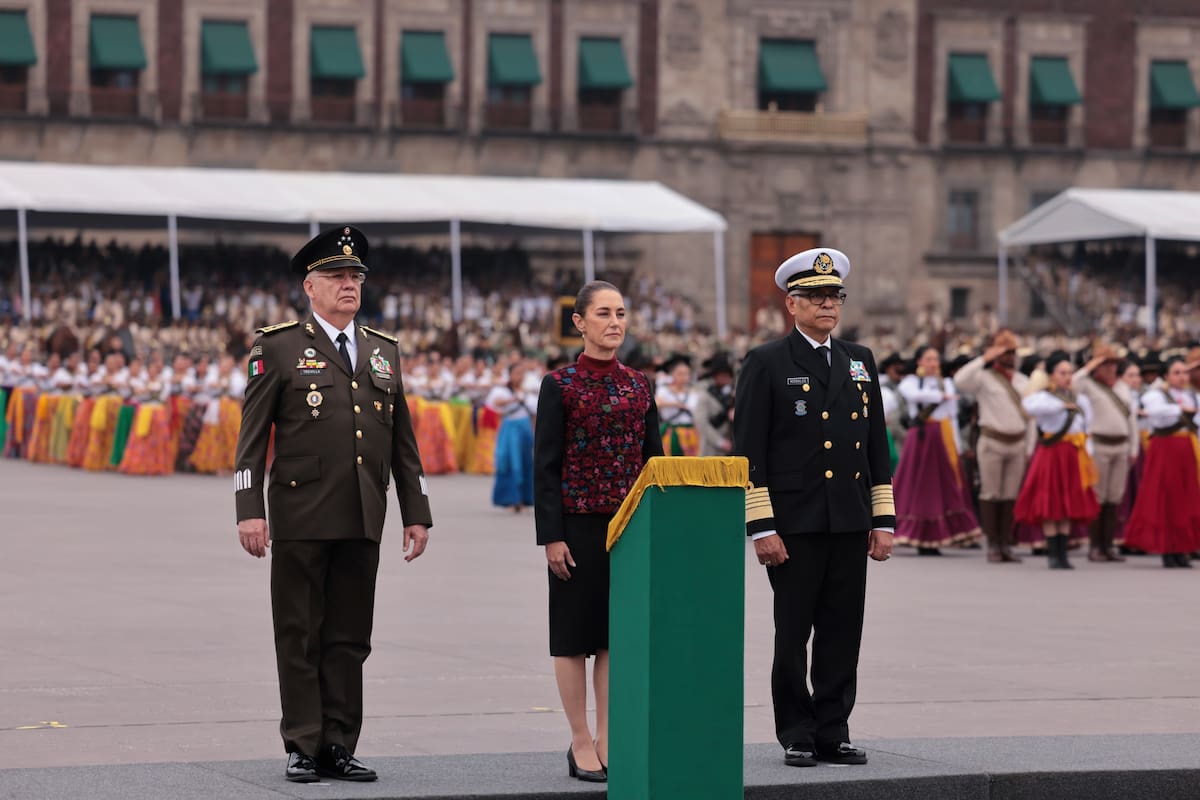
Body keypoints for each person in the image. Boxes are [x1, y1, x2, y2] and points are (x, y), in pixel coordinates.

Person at [233, 226, 432, 783]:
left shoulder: (383, 350)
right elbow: (251, 438)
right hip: (300, 513)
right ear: (310, 287)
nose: (349, 285)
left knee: (349, 637)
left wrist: (416, 511)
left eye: (356, 277)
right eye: (337, 276)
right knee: (299, 633)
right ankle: (302, 742)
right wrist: (249, 508)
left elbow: (402, 441)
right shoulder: (278, 347)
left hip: (362, 511)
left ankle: (339, 743)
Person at [733, 248, 894, 768]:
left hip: (848, 519)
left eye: (834, 296)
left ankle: (833, 730)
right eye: (816, 296)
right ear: (791, 304)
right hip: (794, 524)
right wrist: (761, 526)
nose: (828, 305)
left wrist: (883, 519)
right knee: (793, 633)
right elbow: (749, 451)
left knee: (843, 631)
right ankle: (797, 732)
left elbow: (876, 444)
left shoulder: (858, 359)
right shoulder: (766, 362)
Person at [533, 280, 662, 783]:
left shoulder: (639, 384)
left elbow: (654, 462)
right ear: (579, 322)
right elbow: (545, 466)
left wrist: (657, 527)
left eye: (621, 313)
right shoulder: (559, 385)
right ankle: (580, 739)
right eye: (604, 313)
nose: (615, 322)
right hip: (576, 528)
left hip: (628, 529)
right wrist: (551, 536)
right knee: (572, 638)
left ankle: (609, 736)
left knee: (613, 639)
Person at [1014, 352, 1100, 570]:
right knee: (1051, 502)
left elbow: (1086, 426)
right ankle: (1053, 553)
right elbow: (1030, 407)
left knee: (1068, 503)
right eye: (1062, 373)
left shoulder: (1079, 399)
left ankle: (1063, 552)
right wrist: (1061, 406)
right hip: (1052, 453)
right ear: (1052, 375)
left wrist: (1088, 453)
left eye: (1069, 373)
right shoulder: (1045, 397)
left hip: (1073, 453)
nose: (1067, 377)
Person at [892, 345, 981, 555]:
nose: (933, 363)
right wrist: (941, 397)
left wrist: (956, 444)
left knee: (943, 485)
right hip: (922, 437)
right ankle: (916, 533)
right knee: (919, 485)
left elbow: (951, 416)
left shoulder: (946, 383)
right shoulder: (911, 382)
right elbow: (913, 395)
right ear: (919, 361)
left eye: (935, 359)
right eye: (928, 359)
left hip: (942, 436)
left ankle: (943, 534)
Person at [954, 331, 1032, 563]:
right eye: (1005, 352)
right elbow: (960, 380)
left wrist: (1029, 447)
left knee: (1010, 495)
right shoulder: (984, 378)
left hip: (1016, 442)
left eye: (1012, 352)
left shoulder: (1023, 381)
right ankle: (993, 544)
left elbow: (1031, 418)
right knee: (991, 493)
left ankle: (1005, 543)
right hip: (992, 441)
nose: (1010, 356)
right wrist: (984, 358)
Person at [1123, 355, 1200, 567]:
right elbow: (1154, 412)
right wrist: (1179, 410)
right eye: (1176, 373)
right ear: (1166, 376)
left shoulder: (1192, 396)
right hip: (1165, 449)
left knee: (1186, 498)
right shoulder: (1156, 395)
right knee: (1167, 497)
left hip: (1186, 449)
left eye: (1184, 373)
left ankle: (1183, 548)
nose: (1182, 377)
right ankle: (1168, 548)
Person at [1071, 344, 1138, 562]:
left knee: (1114, 497)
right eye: (1105, 364)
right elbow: (1074, 383)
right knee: (1099, 496)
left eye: (1113, 364)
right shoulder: (1090, 386)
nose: (1110, 369)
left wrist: (1133, 447)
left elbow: (1131, 420)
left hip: (1121, 445)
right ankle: (1095, 546)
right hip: (1100, 445)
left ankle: (1108, 545)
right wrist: (1091, 365)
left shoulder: (1122, 387)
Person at [486, 359, 537, 511]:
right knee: (509, 462)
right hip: (510, 429)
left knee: (526, 462)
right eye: (516, 373)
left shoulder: (528, 392)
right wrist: (513, 399)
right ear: (510, 374)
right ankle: (511, 499)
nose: (519, 377)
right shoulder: (502, 390)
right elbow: (495, 403)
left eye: (522, 374)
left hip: (525, 429)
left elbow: (534, 412)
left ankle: (524, 498)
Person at [655, 353, 699, 456]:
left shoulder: (693, 393)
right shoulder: (664, 390)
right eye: (680, 374)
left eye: (686, 374)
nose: (683, 377)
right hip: (672, 430)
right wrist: (676, 404)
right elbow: (657, 403)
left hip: (690, 432)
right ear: (672, 374)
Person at [694, 351, 735, 457]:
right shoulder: (705, 395)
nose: (725, 378)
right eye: (721, 375)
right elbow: (701, 422)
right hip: (711, 447)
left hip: (732, 445)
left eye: (727, 375)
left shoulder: (733, 395)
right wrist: (719, 441)